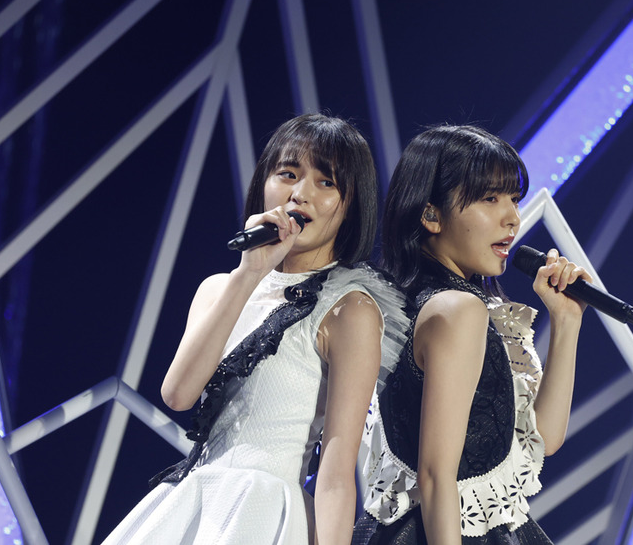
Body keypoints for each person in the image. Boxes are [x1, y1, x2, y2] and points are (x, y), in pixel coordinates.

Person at [103, 113, 406, 545]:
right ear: (264, 182)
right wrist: (249, 274)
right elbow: (178, 394)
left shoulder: (349, 309)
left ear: (351, 206)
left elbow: (337, 476)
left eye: (326, 183)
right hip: (196, 500)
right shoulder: (219, 289)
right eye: (288, 174)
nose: (300, 194)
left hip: (266, 510)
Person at [353, 125, 591, 544]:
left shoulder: (430, 305)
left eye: (514, 199)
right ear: (431, 215)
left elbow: (543, 438)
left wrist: (567, 320)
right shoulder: (456, 310)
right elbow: (434, 475)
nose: (512, 218)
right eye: (490, 198)